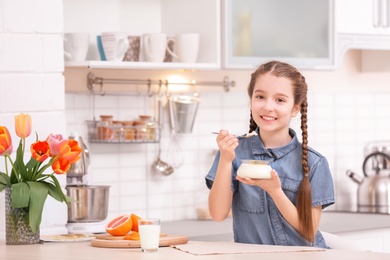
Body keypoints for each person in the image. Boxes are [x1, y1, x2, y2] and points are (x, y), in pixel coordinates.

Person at [205, 61, 335, 248]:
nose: (267, 107)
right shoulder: (232, 153)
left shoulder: (315, 163)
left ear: (295, 108)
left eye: (280, 100)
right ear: (250, 101)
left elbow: (309, 230)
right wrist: (225, 160)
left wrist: (275, 191)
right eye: (260, 97)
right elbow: (217, 214)